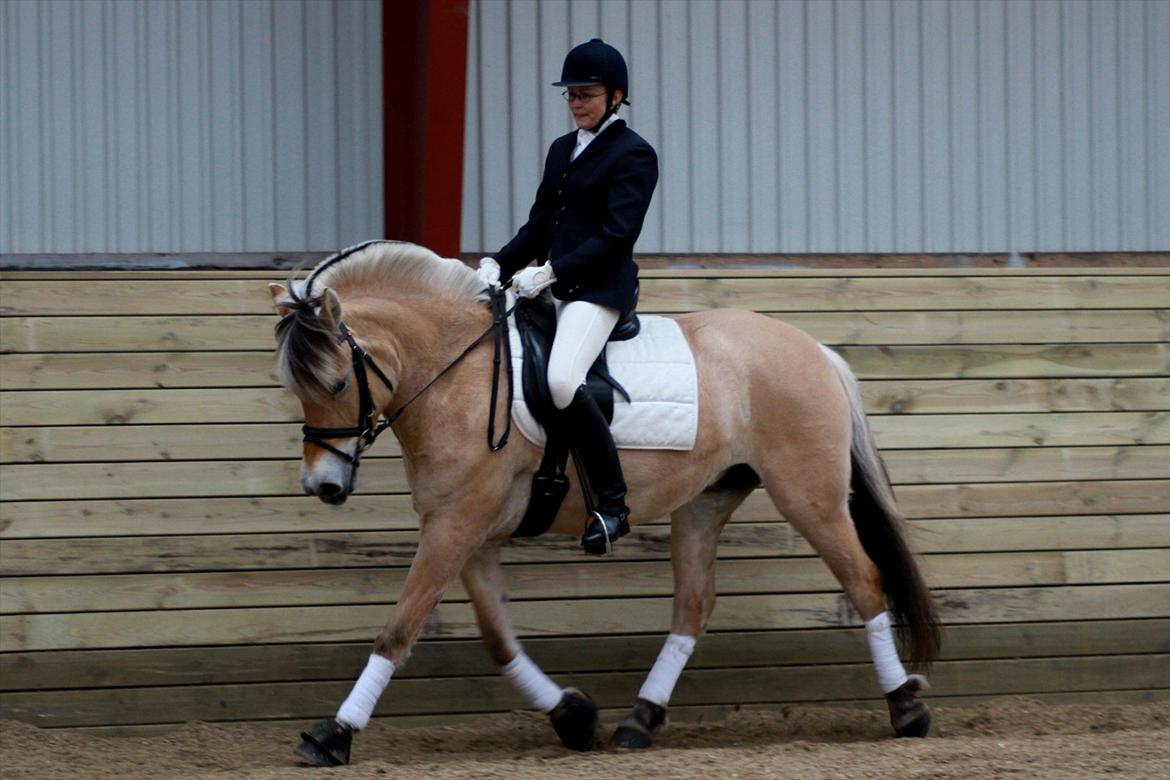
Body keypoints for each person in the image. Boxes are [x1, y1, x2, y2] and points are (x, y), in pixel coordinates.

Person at [478, 38, 659, 554]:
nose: (577, 103)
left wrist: (551, 273)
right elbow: (539, 224)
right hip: (549, 282)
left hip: (598, 289)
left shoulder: (634, 153)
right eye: (571, 95)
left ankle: (614, 503)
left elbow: (616, 235)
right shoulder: (563, 149)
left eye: (587, 95)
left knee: (561, 379)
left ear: (616, 96)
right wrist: (501, 262)